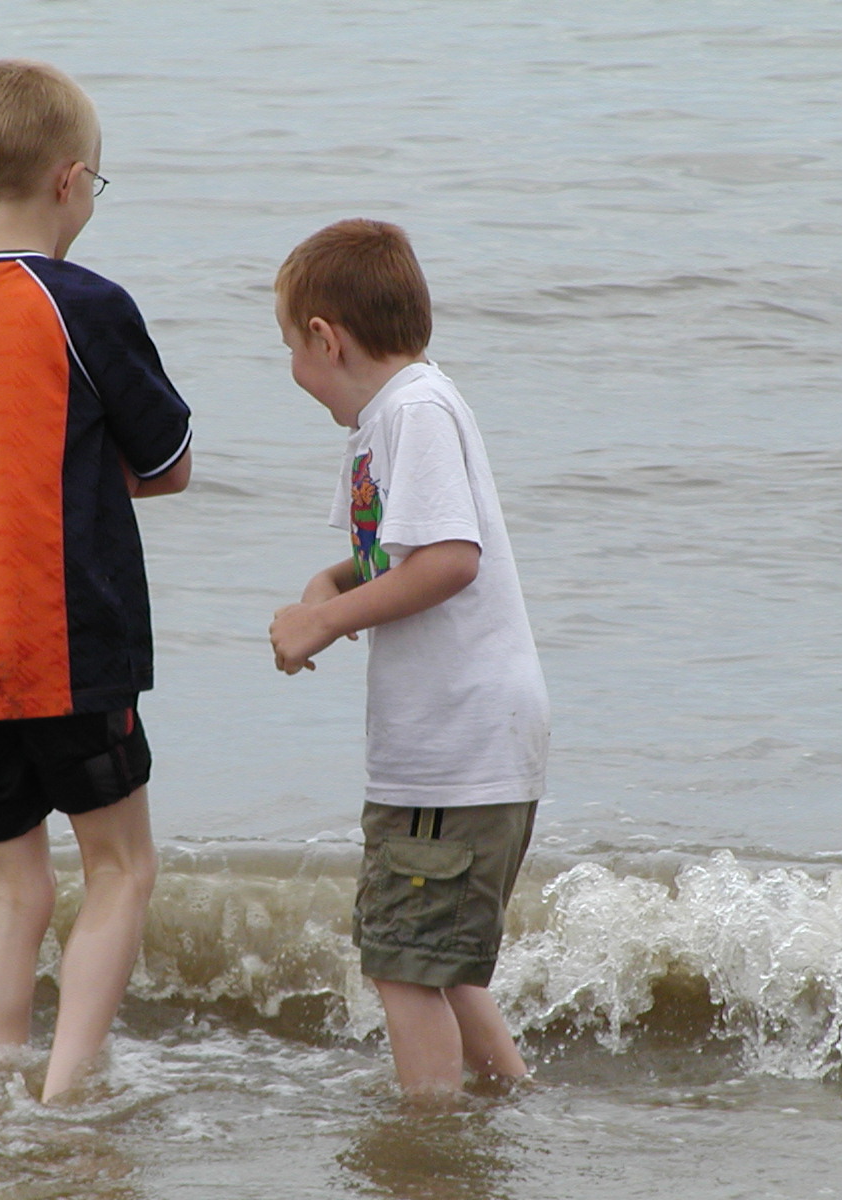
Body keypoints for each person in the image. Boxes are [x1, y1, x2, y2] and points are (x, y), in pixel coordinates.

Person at [0, 59, 192, 1102]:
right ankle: (66, 1093)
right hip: (63, 639)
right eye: (94, 183)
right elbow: (168, 462)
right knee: (121, 868)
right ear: (69, 181)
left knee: (12, 884)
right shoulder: (84, 304)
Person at [268, 219, 549, 1096]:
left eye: (290, 347)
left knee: (402, 965)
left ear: (327, 338)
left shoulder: (413, 411)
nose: (292, 370)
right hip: (459, 748)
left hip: (455, 751)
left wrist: (324, 621)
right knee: (437, 959)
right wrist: (333, 581)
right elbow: (403, 554)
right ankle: (507, 1099)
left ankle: (428, 1140)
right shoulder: (392, 416)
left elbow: (450, 560)